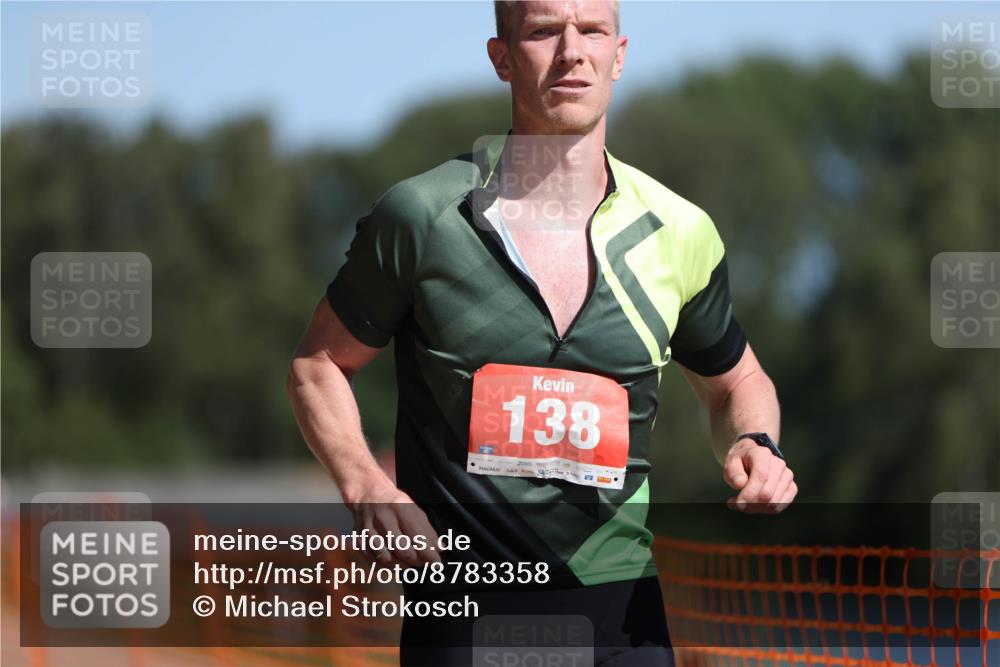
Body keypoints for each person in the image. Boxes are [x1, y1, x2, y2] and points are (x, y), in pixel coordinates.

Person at [287, 1, 797, 664]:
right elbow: (317, 364)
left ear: (619, 54)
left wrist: (756, 441)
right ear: (501, 57)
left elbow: (737, 380)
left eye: (592, 30)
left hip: (624, 628)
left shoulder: (679, 232)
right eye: (542, 31)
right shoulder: (422, 218)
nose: (571, 52)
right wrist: (365, 484)